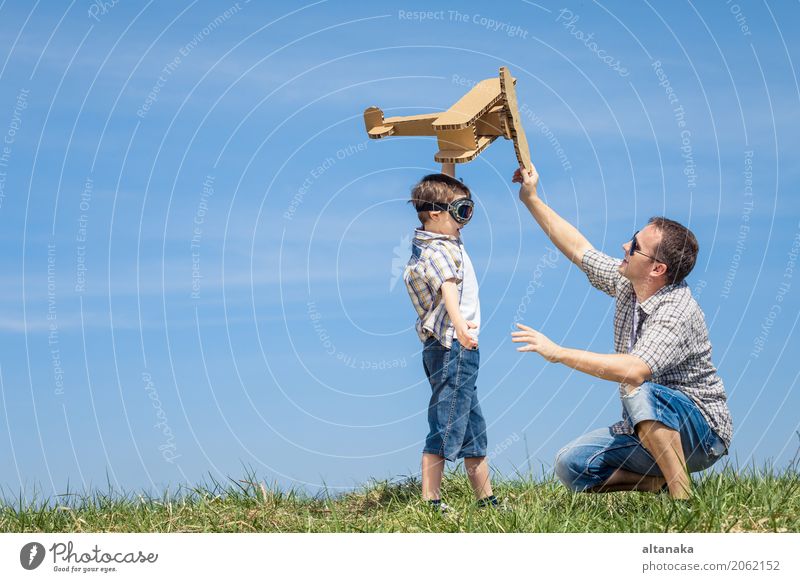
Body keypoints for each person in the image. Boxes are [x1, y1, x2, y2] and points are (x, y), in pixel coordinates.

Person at [510, 165, 732, 499]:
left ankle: (682, 498)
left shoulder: (677, 310)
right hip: (646, 428)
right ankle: (659, 481)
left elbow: (634, 370)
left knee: (636, 386)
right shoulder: (627, 283)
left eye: (636, 246)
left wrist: (557, 353)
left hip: (701, 433)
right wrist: (531, 199)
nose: (624, 245)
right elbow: (578, 249)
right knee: (571, 465)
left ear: (657, 269)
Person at [402, 163, 498, 511]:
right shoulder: (440, 250)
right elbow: (448, 290)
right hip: (453, 345)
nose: (465, 217)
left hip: (449, 345)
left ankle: (486, 500)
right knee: (446, 421)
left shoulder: (441, 238)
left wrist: (450, 162)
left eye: (468, 209)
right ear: (434, 213)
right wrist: (460, 327)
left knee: (471, 425)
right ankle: (430, 500)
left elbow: (447, 190)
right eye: (460, 210)